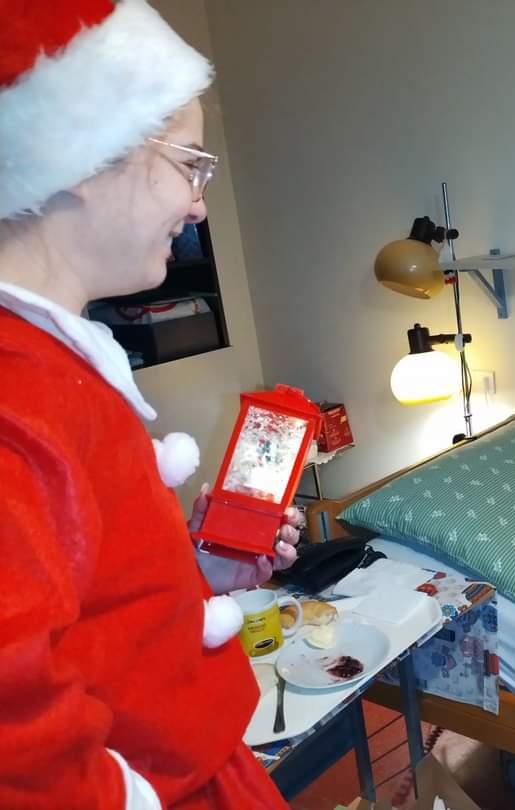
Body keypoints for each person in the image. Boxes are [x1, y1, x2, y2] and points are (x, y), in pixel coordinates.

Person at [0, 2, 300, 807]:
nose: (200, 204)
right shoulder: (17, 394)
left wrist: (199, 567)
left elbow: (89, 609)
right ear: (82, 155)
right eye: (190, 164)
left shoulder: (60, 361)